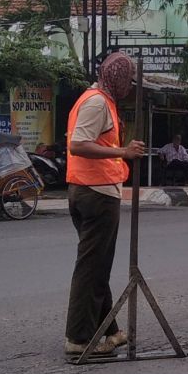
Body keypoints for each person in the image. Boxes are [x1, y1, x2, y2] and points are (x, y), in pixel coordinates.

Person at [63, 52, 148, 358]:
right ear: (117, 78)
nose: (129, 85)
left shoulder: (101, 100)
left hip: (92, 190)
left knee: (98, 266)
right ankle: (79, 338)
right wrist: (124, 152)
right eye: (127, 79)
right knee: (91, 268)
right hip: (95, 194)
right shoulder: (97, 102)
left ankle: (108, 331)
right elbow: (78, 144)